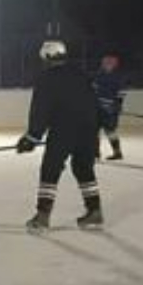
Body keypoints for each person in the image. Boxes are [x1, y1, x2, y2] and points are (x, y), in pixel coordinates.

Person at [16, 39, 103, 232]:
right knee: (84, 169)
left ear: (47, 57)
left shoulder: (46, 79)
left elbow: (40, 110)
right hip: (88, 130)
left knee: (50, 169)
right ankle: (95, 212)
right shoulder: (81, 74)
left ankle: (42, 217)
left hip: (63, 131)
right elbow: (94, 105)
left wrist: (31, 138)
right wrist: (95, 136)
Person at [93, 54, 126, 161]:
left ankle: (117, 152)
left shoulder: (118, 77)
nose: (105, 64)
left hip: (110, 110)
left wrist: (118, 104)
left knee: (110, 131)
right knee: (93, 131)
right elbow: (94, 89)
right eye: (105, 63)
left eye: (108, 63)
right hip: (97, 108)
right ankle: (95, 153)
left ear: (114, 64)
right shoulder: (99, 74)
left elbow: (121, 93)